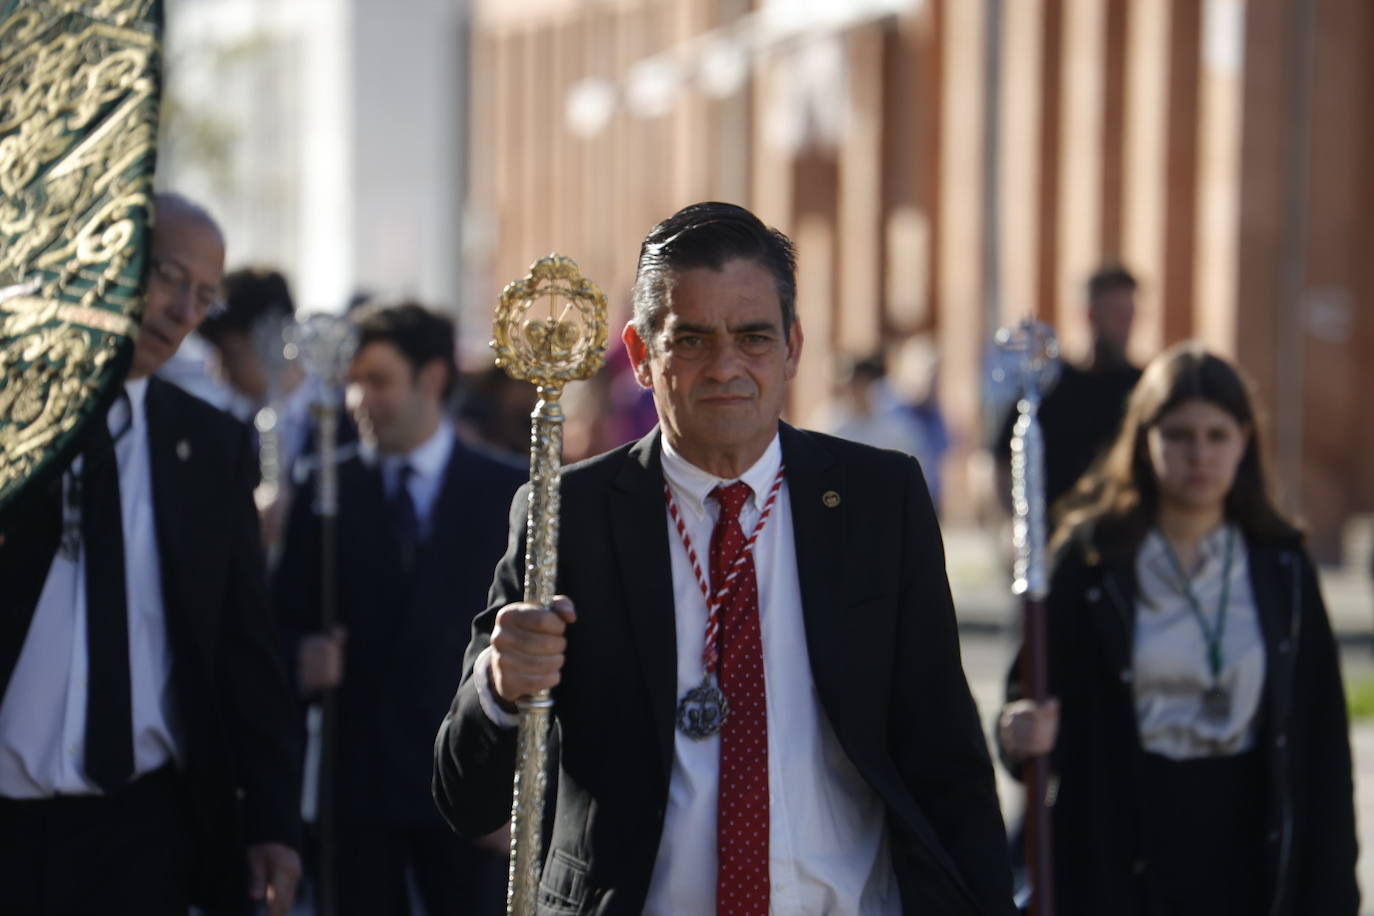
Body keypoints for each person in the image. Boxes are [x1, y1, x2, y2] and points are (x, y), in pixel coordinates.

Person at [434, 202, 1016, 915]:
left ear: (793, 347)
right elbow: (466, 798)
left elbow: (947, 754)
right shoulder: (569, 516)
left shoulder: (877, 500)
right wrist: (501, 688)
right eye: (691, 340)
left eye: (753, 337)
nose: (725, 367)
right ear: (640, 354)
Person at [0, 193, 303, 914]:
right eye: (169, 276)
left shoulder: (210, 446)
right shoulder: (15, 420)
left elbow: (244, 646)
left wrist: (272, 822)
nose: (184, 312)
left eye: (205, 295)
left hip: (142, 832)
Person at [998, 342, 1359, 915]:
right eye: (1179, 435)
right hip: (1120, 844)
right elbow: (1031, 701)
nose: (1200, 455)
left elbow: (1322, 743)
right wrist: (1019, 735)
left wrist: (1333, 891)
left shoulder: (1281, 567)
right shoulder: (1092, 563)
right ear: (1144, 440)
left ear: (1244, 441)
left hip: (1248, 845)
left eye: (1217, 436)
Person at [274, 302, 524, 914]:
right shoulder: (325, 486)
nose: (360, 399)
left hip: (470, 787)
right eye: (352, 381)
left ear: (431, 378)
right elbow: (277, 624)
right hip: (357, 796)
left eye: (379, 380)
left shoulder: (507, 490)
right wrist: (301, 656)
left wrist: (516, 792)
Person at [995, 264, 1143, 513]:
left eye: (1128, 315)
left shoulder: (1142, 387)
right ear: (1091, 315)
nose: (1124, 325)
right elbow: (1003, 460)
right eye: (1115, 313)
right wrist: (1018, 519)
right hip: (1056, 525)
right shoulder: (1050, 384)